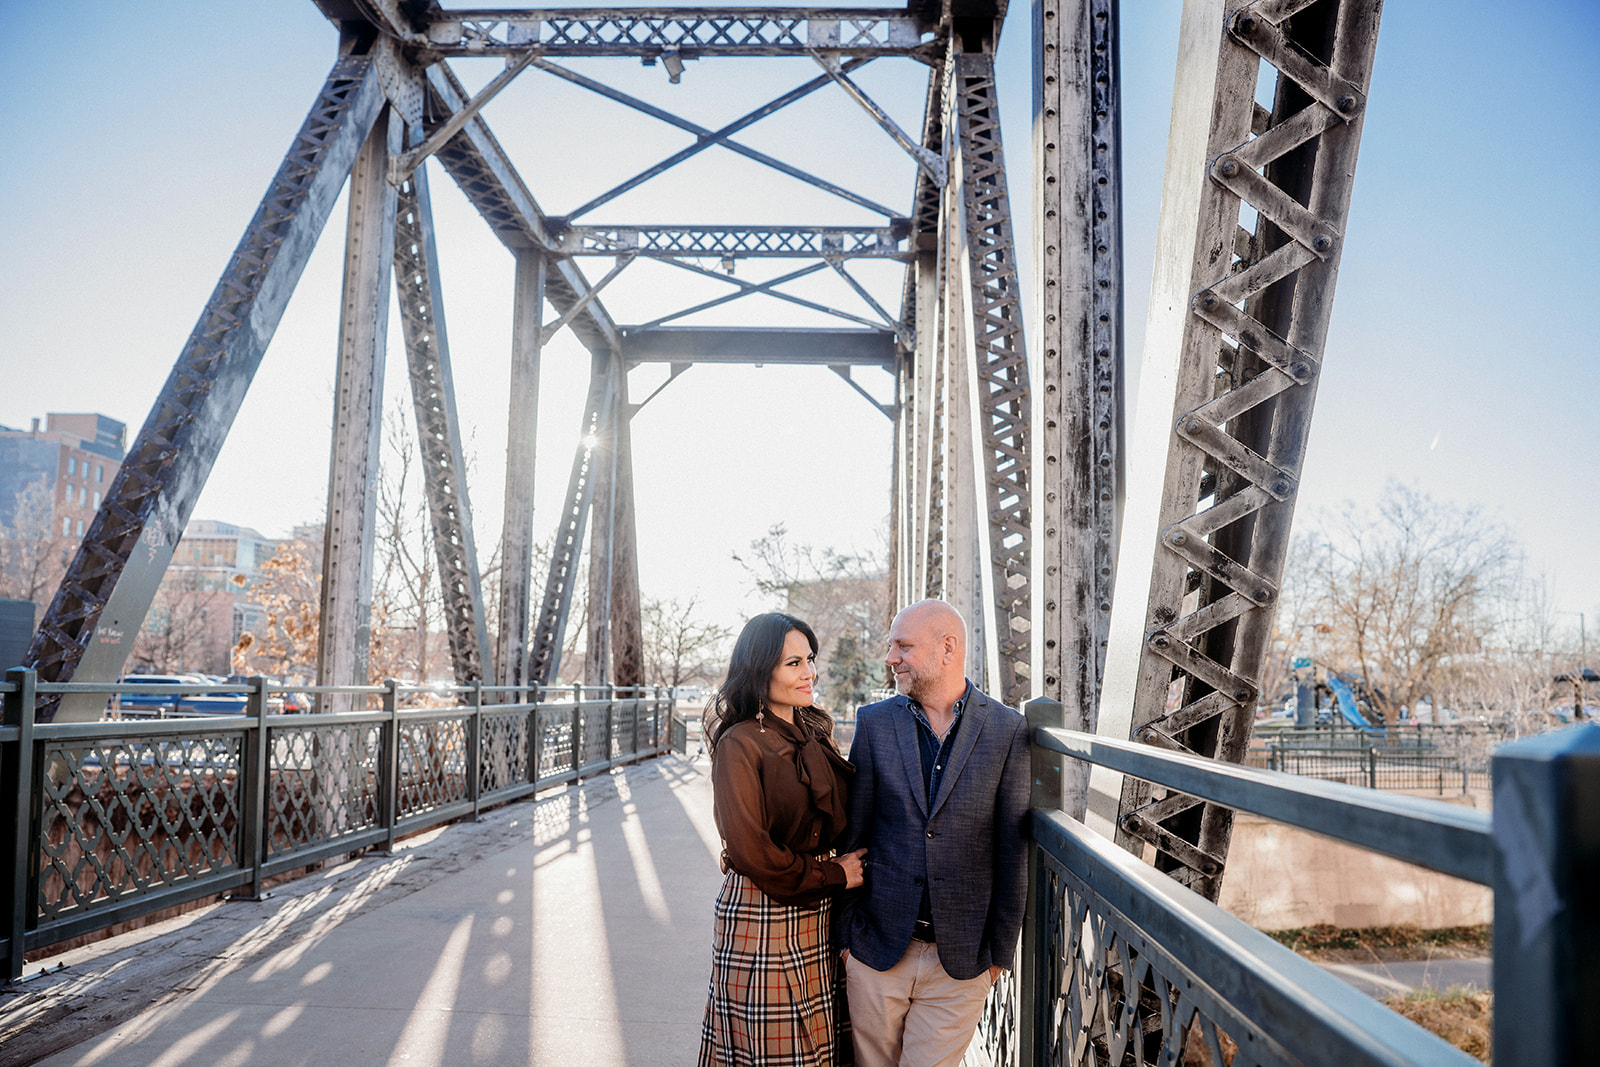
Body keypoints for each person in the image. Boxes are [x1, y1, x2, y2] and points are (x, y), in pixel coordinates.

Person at [835, 600, 1029, 1067]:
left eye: (903, 646)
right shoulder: (875, 723)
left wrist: (998, 957)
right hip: (877, 950)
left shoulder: (1008, 729)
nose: (891, 658)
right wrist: (846, 942)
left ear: (948, 648)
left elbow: (1012, 851)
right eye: (891, 647)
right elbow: (852, 835)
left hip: (959, 963)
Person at [699, 612, 868, 1067]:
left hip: (816, 912)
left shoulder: (814, 732)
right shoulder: (740, 744)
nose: (809, 672)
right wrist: (833, 874)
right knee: (773, 1051)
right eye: (793, 663)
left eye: (810, 659)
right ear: (761, 669)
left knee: (818, 1047)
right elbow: (750, 849)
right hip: (762, 912)